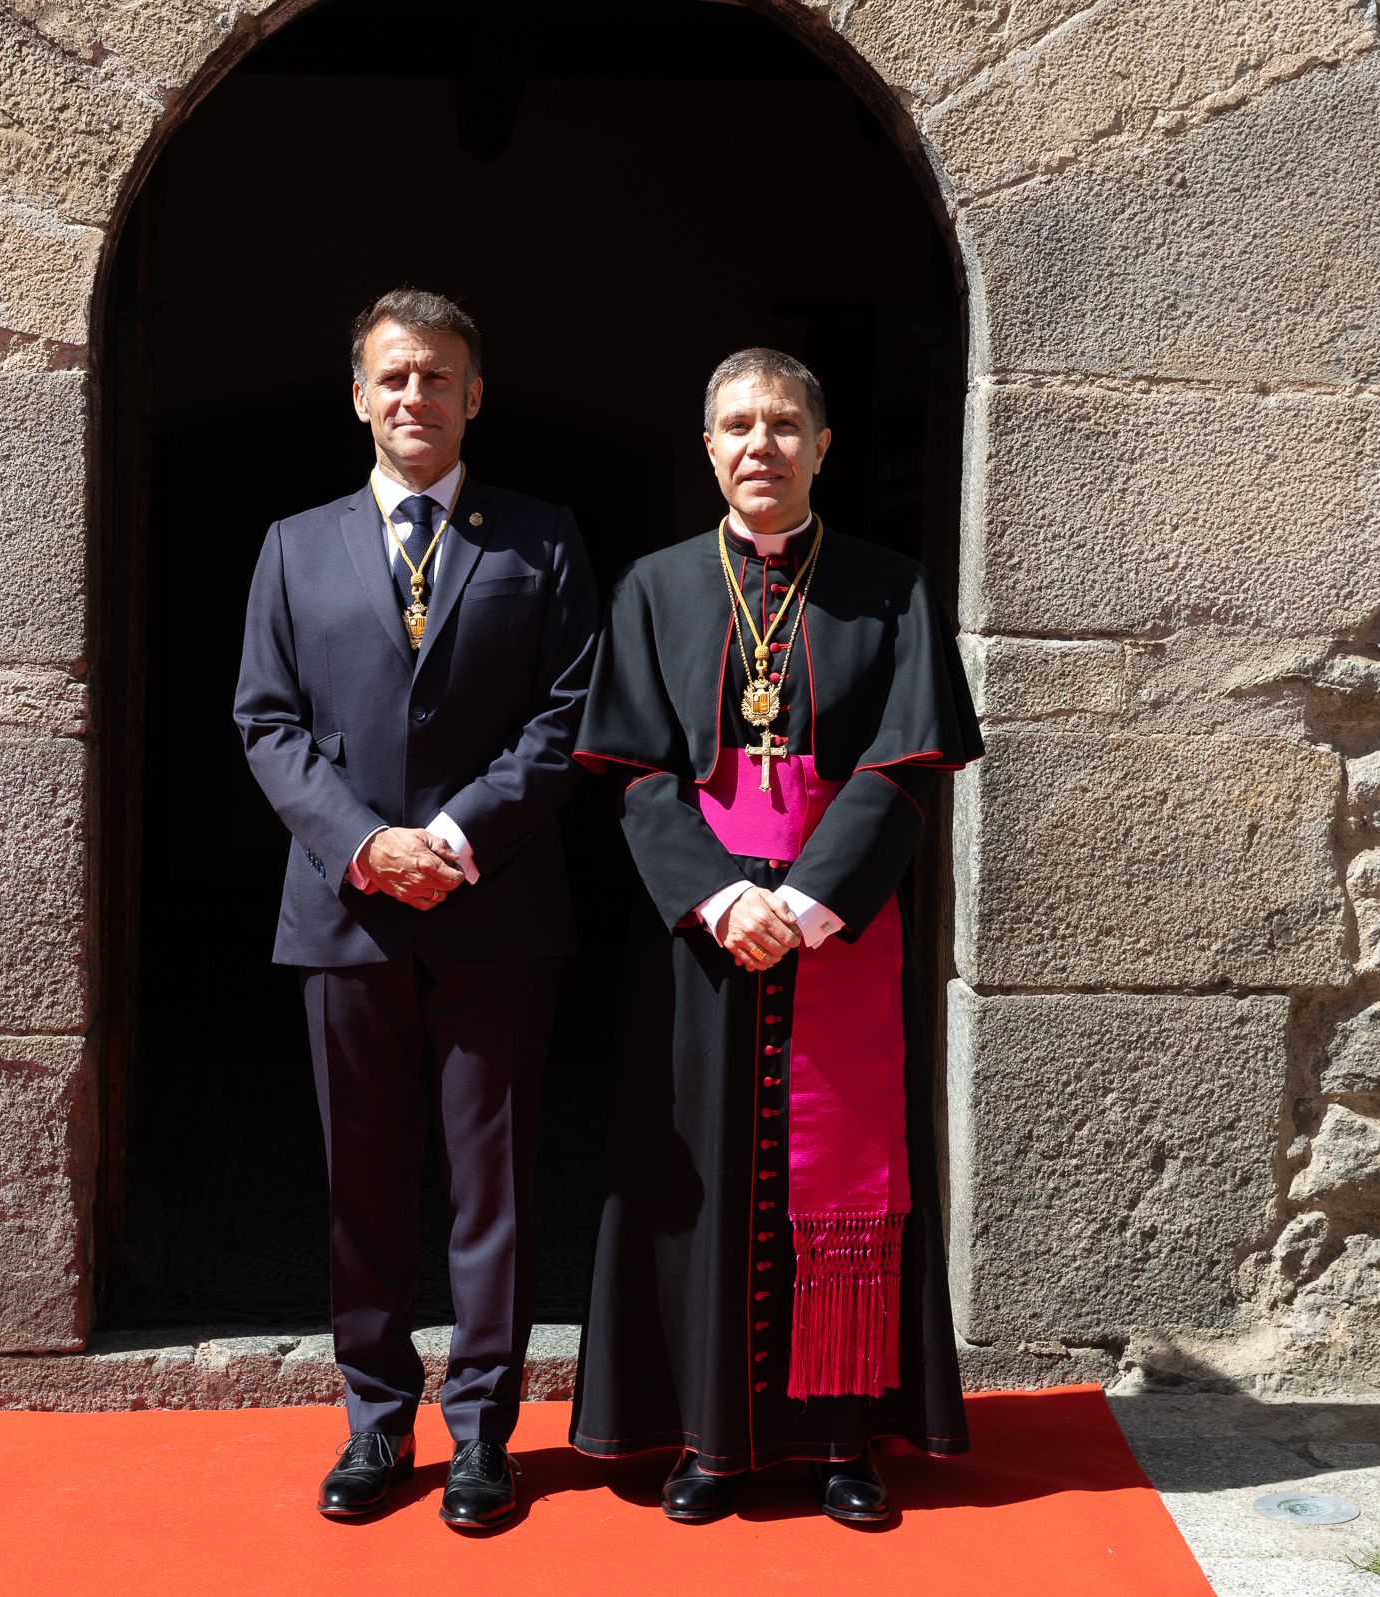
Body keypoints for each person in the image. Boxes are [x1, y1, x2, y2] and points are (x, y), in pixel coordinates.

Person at [567, 348, 982, 1524]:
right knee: (697, 1179)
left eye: (786, 425)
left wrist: (803, 902)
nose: (762, 445)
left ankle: (845, 1439)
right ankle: (709, 1440)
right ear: (708, 447)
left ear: (822, 446)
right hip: (705, 937)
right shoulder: (655, 588)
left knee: (850, 1183)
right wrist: (720, 896)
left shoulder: (890, 588)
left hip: (839, 933)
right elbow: (639, 773)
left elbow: (906, 771)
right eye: (739, 426)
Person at [234, 288, 599, 1529]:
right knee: (366, 1182)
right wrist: (367, 845)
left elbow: (567, 720)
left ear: (474, 394)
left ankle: (487, 1430)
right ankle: (375, 1426)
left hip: (495, 911)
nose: (414, 398)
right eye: (393, 377)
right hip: (347, 913)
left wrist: (449, 837)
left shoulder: (541, 539)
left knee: (489, 1182)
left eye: (437, 377)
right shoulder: (294, 544)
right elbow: (265, 725)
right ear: (358, 394)